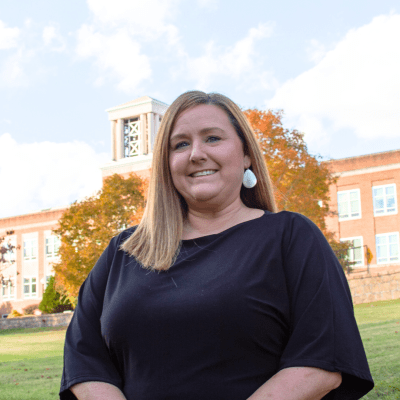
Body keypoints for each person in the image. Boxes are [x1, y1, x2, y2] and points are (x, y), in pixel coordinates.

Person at [59, 91, 374, 400]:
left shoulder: (290, 237)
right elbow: (85, 360)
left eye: (212, 138)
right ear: (166, 164)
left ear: (246, 154)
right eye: (180, 144)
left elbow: (321, 361)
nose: (196, 153)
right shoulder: (124, 250)